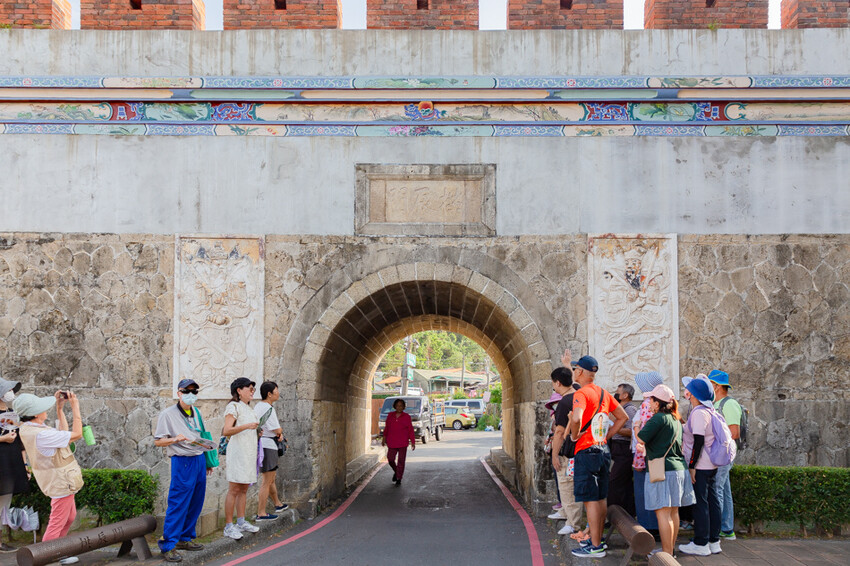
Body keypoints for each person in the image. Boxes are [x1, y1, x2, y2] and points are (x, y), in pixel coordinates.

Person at [568, 353, 628, 558]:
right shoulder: (603, 393)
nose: (574, 372)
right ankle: (598, 541)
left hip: (587, 451)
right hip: (602, 450)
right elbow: (623, 416)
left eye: (575, 369)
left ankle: (594, 546)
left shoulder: (581, 394)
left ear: (582, 372)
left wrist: (575, 435)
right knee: (600, 497)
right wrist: (606, 435)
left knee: (590, 500)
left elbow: (576, 417)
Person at [14, 391, 84, 566]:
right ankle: (45, 558)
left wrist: (60, 409)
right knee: (57, 522)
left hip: (59, 480)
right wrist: (75, 407)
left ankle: (60, 552)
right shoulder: (41, 434)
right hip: (60, 481)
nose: (47, 410)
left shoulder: (32, 429)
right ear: (37, 414)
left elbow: (63, 434)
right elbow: (76, 434)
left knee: (69, 516)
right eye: (44, 408)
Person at [153, 378, 212, 563]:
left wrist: (208, 461)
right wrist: (174, 440)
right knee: (179, 502)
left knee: (196, 501)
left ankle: (185, 538)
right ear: (179, 393)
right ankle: (168, 544)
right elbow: (158, 441)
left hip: (199, 458)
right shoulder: (168, 414)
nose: (191, 395)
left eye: (195, 392)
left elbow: (201, 435)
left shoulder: (196, 412)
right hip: (182, 460)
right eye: (187, 391)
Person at [636, 384, 695, 557]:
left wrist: (636, 426)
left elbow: (641, 437)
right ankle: (670, 551)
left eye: (651, 399)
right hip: (678, 469)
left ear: (657, 402)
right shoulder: (675, 419)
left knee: (662, 513)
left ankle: (666, 553)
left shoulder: (658, 418)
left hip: (663, 470)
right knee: (673, 512)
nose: (649, 402)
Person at [679, 375, 722, 557]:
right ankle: (714, 540)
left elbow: (698, 441)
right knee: (712, 502)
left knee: (700, 504)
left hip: (701, 465)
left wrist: (692, 465)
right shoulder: (710, 410)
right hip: (711, 463)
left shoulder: (698, 413)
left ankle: (701, 542)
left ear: (694, 395)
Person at [547, 364, 583, 536]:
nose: (554, 386)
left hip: (568, 451)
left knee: (567, 485)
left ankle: (573, 523)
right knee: (572, 485)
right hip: (581, 448)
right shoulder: (579, 395)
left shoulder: (564, 403)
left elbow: (559, 432)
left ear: (558, 383)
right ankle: (568, 516)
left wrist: (554, 455)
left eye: (554, 383)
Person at [222, 377, 260, 540]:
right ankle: (229, 526)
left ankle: (241, 521)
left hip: (248, 452)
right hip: (237, 453)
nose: (252, 392)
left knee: (244, 488)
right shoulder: (233, 406)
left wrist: (256, 431)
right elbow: (226, 430)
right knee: (234, 489)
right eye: (249, 389)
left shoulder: (248, 408)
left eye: (253, 389)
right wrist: (247, 426)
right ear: (239, 390)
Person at [708, 369, 740, 540]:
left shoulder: (729, 404)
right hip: (719, 453)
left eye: (710, 384)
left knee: (716, 490)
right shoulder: (717, 404)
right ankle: (727, 529)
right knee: (724, 490)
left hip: (723, 454)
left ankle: (714, 531)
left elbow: (734, 432)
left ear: (717, 386)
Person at [631, 372, 663, 534]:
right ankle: (656, 527)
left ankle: (648, 527)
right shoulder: (660, 404)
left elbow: (642, 438)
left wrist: (638, 461)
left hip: (644, 457)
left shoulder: (647, 405)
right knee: (655, 491)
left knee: (644, 492)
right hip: (656, 456)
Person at [254, 381, 289, 520]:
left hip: (264, 445)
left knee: (270, 478)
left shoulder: (258, 406)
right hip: (268, 446)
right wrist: (280, 433)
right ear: (269, 394)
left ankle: (278, 504)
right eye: (276, 390)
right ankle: (261, 513)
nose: (278, 392)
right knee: (267, 481)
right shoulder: (268, 408)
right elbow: (277, 429)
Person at [0, 378, 28, 553]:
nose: (11, 392)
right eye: (7, 390)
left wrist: (25, 465)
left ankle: (1, 540)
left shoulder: (11, 413)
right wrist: (2, 438)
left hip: (11, 463)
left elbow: (20, 442)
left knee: (5, 504)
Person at [607, 383, 637, 516]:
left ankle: (615, 513)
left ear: (625, 395)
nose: (616, 394)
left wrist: (615, 429)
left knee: (615, 482)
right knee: (623, 483)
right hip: (617, 448)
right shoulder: (621, 408)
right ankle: (626, 512)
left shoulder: (629, 410)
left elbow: (632, 431)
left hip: (624, 449)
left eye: (618, 392)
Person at [381, 398, 415, 485]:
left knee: (401, 461)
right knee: (390, 459)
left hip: (403, 442)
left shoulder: (407, 417)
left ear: (404, 407)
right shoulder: (390, 415)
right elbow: (387, 428)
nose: (399, 407)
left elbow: (410, 430)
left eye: (401, 406)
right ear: (395, 406)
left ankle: (399, 478)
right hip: (392, 441)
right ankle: (397, 472)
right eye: (397, 405)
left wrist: (413, 442)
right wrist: (384, 438)